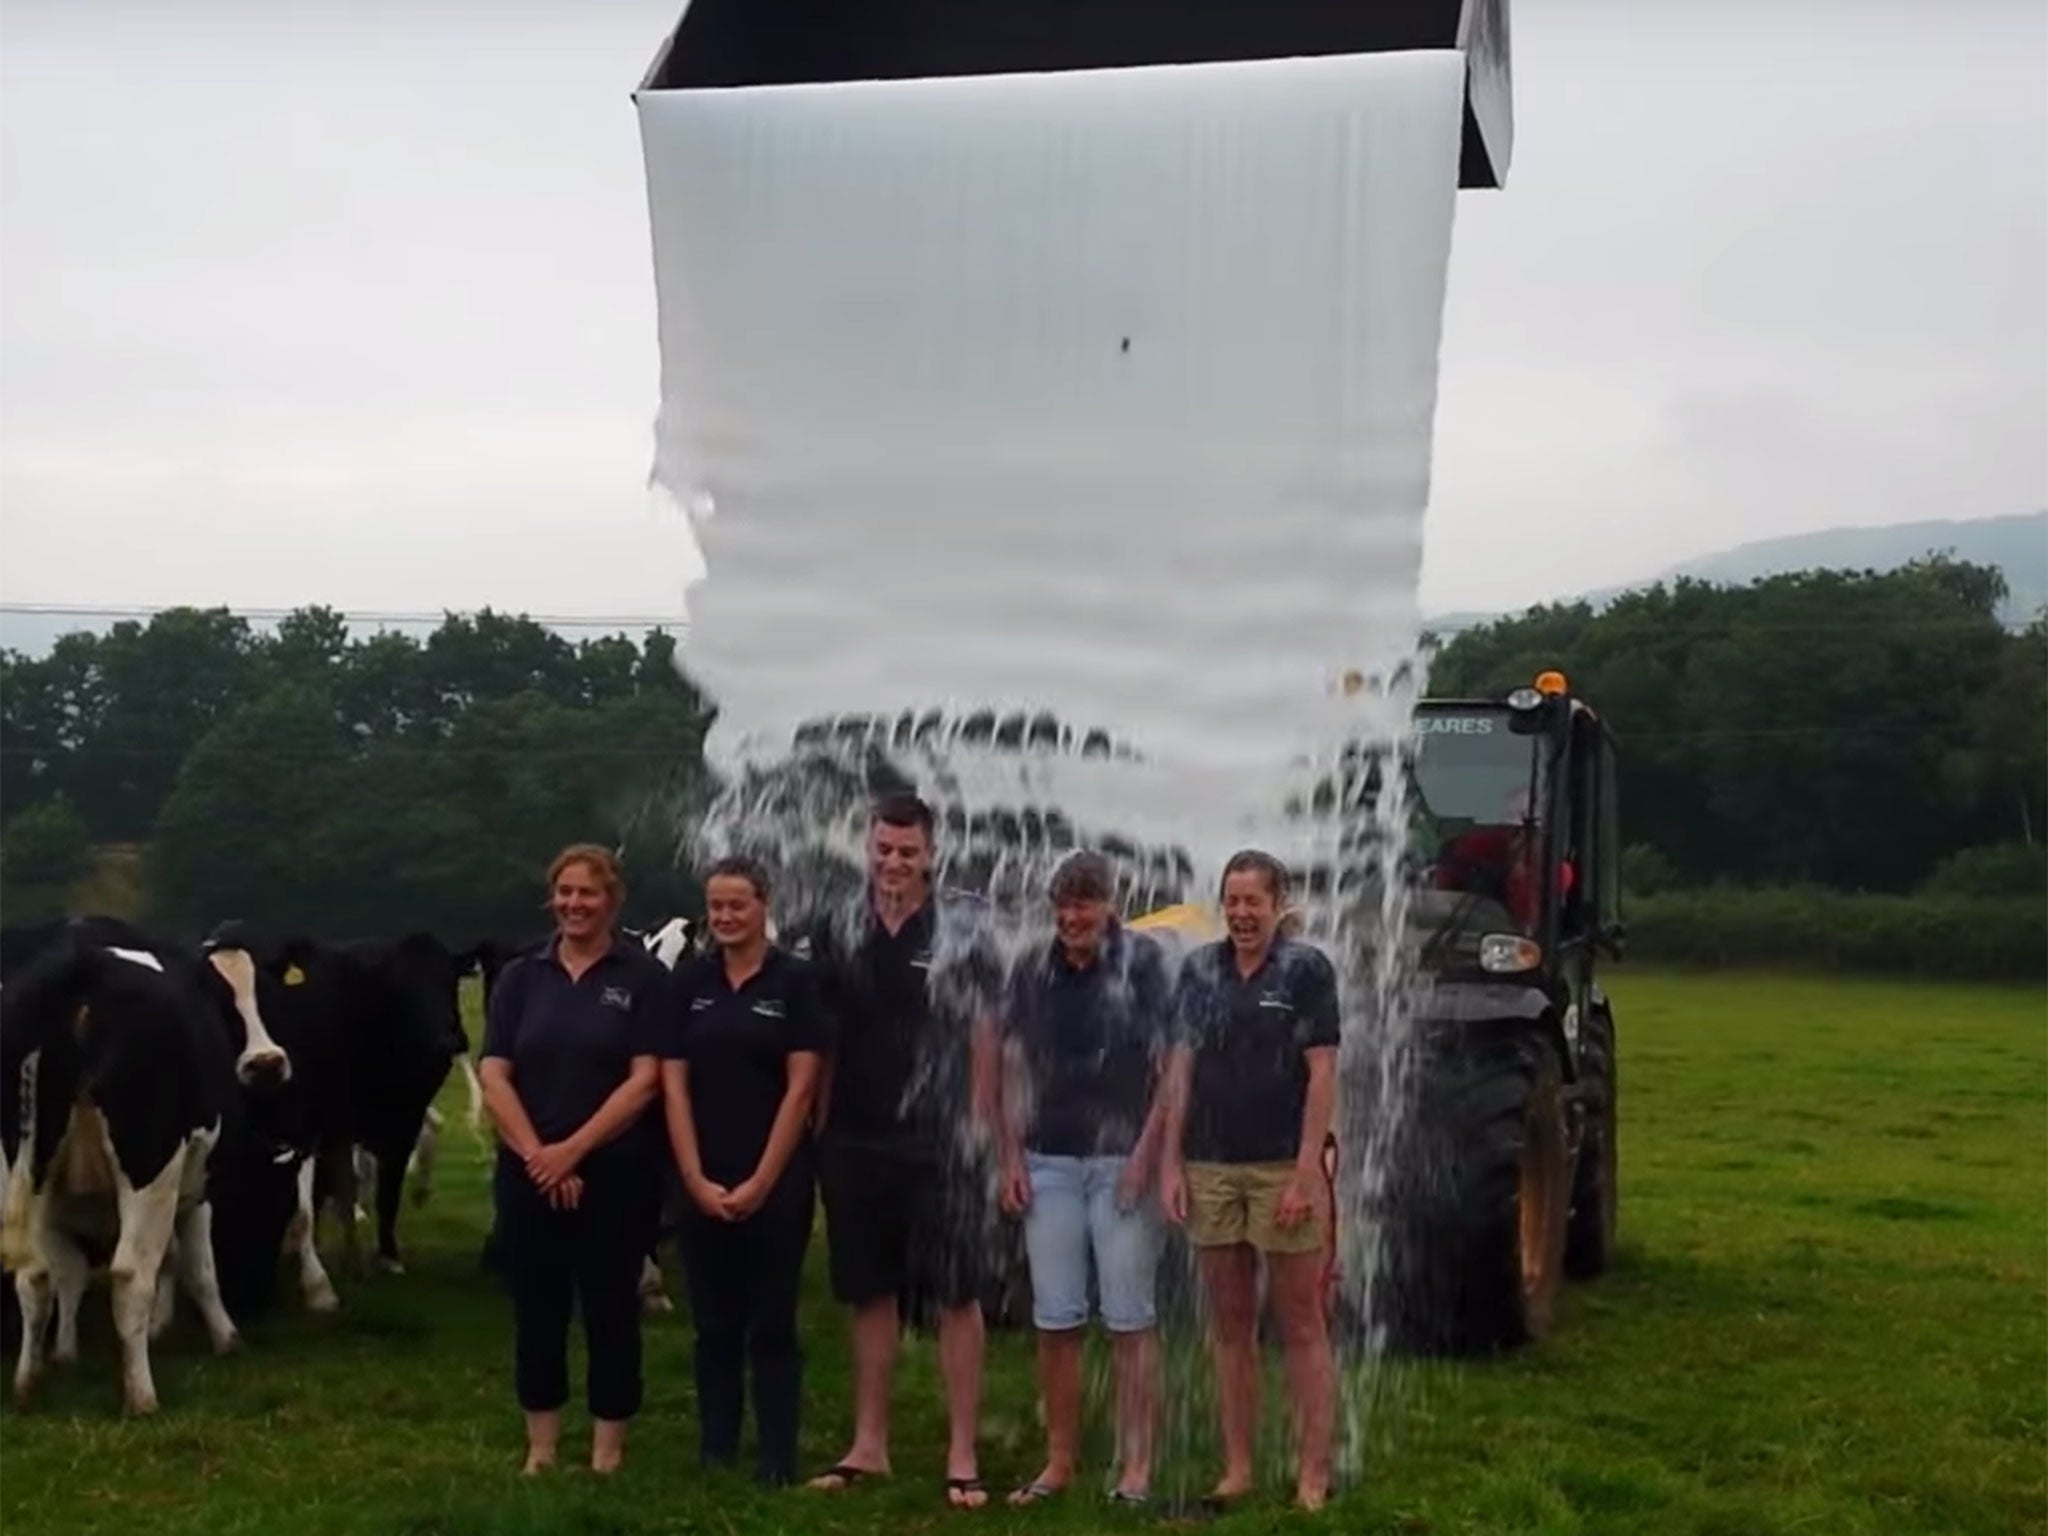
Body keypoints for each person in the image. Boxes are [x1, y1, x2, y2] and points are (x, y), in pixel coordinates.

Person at [805, 793, 1000, 1509]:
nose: (892, 863)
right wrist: (819, 1120)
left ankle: (962, 1453)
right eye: (882, 849)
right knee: (869, 1292)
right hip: (856, 1133)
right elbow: (822, 1034)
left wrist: (980, 1123)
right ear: (869, 848)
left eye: (906, 852)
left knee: (956, 1294)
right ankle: (869, 1444)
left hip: (942, 1135)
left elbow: (986, 1031)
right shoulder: (837, 924)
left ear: (931, 853)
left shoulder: (963, 928)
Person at [477, 844, 668, 1475]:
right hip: (529, 1171)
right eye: (565, 893)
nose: (574, 905)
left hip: (615, 1171)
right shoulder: (520, 978)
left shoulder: (640, 978)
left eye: (588, 893)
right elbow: (495, 1072)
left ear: (612, 901)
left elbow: (645, 1080)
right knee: (537, 1307)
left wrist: (574, 1150)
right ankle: (542, 1445)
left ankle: (607, 1448)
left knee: (612, 1305)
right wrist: (538, 1155)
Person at [1160, 850, 1340, 1512]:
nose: (1241, 914)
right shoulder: (1198, 971)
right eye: (1231, 901)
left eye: (1252, 902)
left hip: (1277, 1170)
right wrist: (1170, 1165)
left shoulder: (1306, 970)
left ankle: (1312, 1472)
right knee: (1230, 1322)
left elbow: (1322, 1073)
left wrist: (1305, 1172)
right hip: (1210, 1166)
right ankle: (1238, 1467)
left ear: (1276, 904)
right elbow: (1178, 1070)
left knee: (1299, 1320)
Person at [995, 850, 1171, 1508]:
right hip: (1047, 1164)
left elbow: (1170, 1065)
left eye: (1085, 902)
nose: (1072, 916)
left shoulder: (1146, 964)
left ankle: (1137, 1467)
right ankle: (1059, 1462)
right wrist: (1009, 1154)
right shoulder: (1032, 968)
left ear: (1110, 904)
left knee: (1129, 1321)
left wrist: (1148, 1157)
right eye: (1063, 904)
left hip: (1123, 1163)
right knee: (1056, 1320)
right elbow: (1009, 1064)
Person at [662, 855, 824, 1486]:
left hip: (776, 1176)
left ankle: (778, 1456)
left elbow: (801, 1089)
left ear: (764, 906)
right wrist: (695, 1177)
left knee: (773, 1320)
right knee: (713, 1321)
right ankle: (716, 1447)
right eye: (716, 906)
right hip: (700, 1170)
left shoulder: (796, 983)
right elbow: (672, 1087)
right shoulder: (688, 984)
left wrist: (761, 1181)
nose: (725, 917)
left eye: (738, 905)